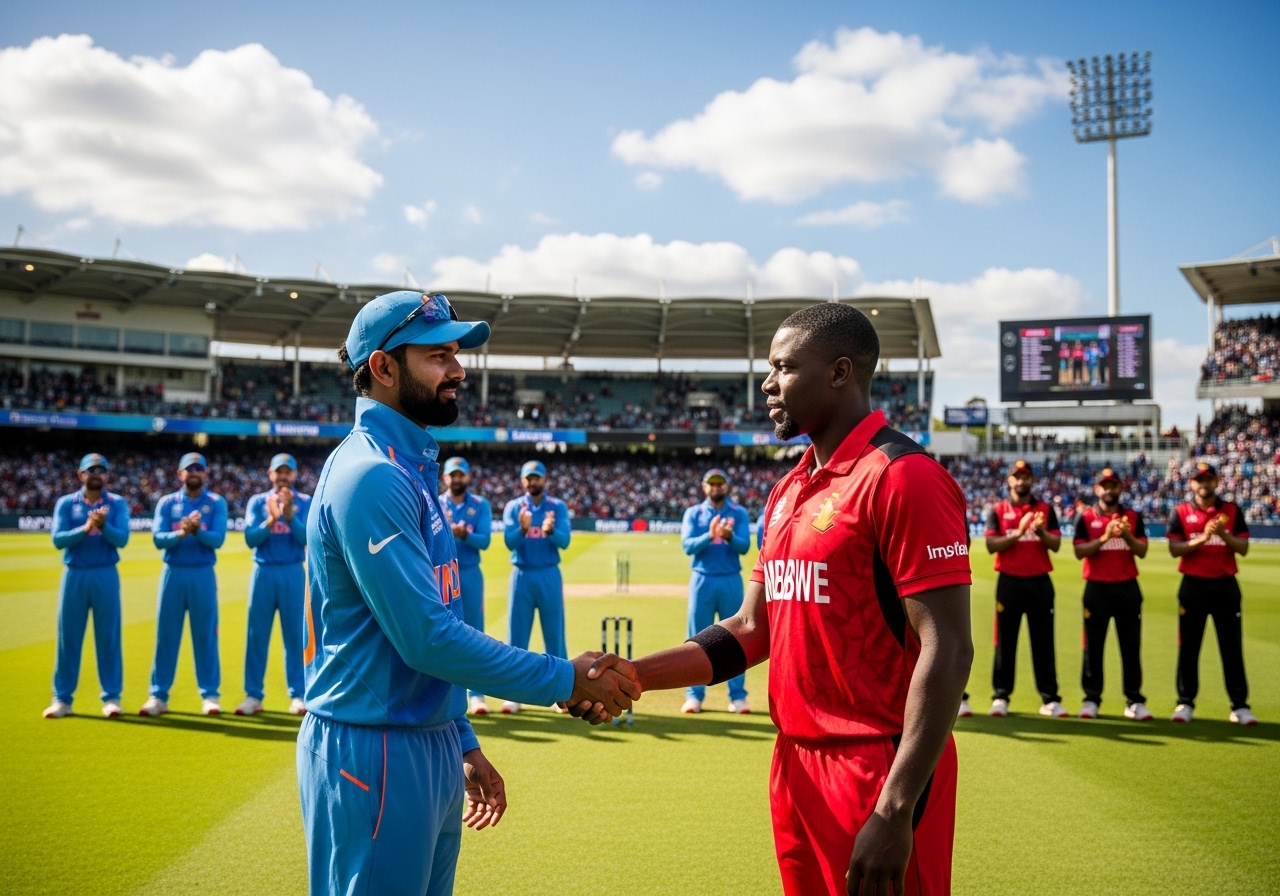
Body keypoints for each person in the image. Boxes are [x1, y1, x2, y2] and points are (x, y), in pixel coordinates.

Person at [583, 303, 973, 896]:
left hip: (878, 766)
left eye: (783, 368)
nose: (767, 384)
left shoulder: (903, 477)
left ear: (840, 372)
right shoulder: (789, 487)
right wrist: (635, 674)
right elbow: (749, 629)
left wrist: (895, 808)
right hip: (795, 763)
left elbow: (948, 647)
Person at [301, 291, 636, 896]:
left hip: (423, 740)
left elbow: (436, 625)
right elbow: (427, 639)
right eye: (438, 356)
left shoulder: (411, 467)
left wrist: (460, 738)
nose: (459, 370)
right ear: (382, 368)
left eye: (457, 354)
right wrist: (565, 677)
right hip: (374, 748)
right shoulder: (373, 476)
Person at [1166, 462, 1257, 725]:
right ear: (1192, 484)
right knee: (1189, 647)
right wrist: (1203, 539)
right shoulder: (1181, 511)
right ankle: (1185, 703)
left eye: (1208, 480)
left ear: (1216, 482)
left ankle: (1240, 706)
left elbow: (1243, 547)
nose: (1203, 485)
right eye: (1198, 480)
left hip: (1225, 585)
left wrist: (1223, 536)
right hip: (1193, 586)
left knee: (1231, 647)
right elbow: (1175, 549)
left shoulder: (1231, 510)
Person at [43, 453, 130, 719]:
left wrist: (102, 527)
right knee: (68, 638)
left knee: (108, 637)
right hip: (75, 574)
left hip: (105, 573)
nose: (96, 474)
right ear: (81, 475)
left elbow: (122, 539)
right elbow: (58, 540)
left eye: (101, 470)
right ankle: (62, 699)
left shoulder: (117, 504)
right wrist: (87, 527)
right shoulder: (67, 504)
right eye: (91, 470)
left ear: (107, 475)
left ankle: (112, 697)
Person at [141, 452, 228, 717]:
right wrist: (182, 532)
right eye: (188, 469)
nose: (193, 473)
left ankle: (210, 695)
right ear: (180, 474)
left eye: (198, 469)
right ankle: (158, 695)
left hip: (202, 573)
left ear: (205, 473)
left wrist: (197, 531)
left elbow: (217, 540)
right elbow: (158, 539)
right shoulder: (167, 504)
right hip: (174, 573)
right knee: (166, 635)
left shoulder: (215, 503)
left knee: (206, 635)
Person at [982, 459, 1067, 718]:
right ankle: (1001, 696)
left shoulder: (1045, 509)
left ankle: (1050, 698)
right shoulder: (998, 509)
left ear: (1032, 480)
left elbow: (1055, 545)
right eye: (1017, 477)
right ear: (1009, 481)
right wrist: (1018, 534)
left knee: (1043, 641)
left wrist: (1040, 532)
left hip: (1040, 582)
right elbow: (991, 545)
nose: (1022, 481)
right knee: (1005, 641)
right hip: (1009, 581)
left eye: (1026, 477)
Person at [1073, 467, 1150, 721]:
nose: (1109, 490)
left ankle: (1134, 700)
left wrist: (1125, 533)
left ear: (1120, 488)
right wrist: (1105, 537)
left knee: (1130, 646)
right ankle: (1091, 699)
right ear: (1097, 490)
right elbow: (1080, 551)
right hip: (1096, 587)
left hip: (1128, 587)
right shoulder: (1086, 518)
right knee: (1093, 646)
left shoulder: (1133, 517)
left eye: (1113, 486)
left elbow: (1142, 551)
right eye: (1104, 486)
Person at [236, 453, 310, 716]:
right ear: (270, 474)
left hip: (292, 571)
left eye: (287, 472)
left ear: (295, 474)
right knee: (257, 636)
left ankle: (299, 694)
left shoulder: (304, 502)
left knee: (295, 637)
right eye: (278, 472)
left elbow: (306, 539)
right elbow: (251, 539)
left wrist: (289, 517)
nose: (282, 476)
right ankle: (253, 695)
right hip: (264, 571)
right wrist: (272, 519)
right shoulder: (258, 501)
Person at [500, 459, 572, 714]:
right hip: (522, 574)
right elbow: (509, 542)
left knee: (555, 636)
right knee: (517, 638)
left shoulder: (557, 507)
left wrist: (552, 531)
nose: (533, 482)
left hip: (549, 573)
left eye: (537, 478)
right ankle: (513, 695)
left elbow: (565, 541)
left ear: (545, 480)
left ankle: (562, 694)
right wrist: (522, 528)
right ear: (523, 481)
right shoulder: (514, 507)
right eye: (528, 478)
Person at [679, 467, 752, 714]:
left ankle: (738, 696)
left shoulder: (738, 513)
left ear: (727, 487)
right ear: (704, 486)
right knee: (697, 638)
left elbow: (744, 547)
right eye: (712, 483)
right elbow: (687, 546)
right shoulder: (694, 513)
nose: (716, 487)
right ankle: (694, 695)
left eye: (721, 483)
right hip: (703, 580)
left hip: (730, 579)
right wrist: (709, 536)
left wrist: (729, 536)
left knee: (736, 638)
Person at [439, 456, 494, 715]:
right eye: (452, 474)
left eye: (461, 474)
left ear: (468, 477)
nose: (457, 479)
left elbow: (484, 541)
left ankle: (477, 695)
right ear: (445, 478)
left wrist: (465, 535)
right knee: (440, 631)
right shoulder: (435, 502)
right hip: (441, 574)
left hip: (469, 573)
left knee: (474, 632)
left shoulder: (480, 504)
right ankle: (443, 693)